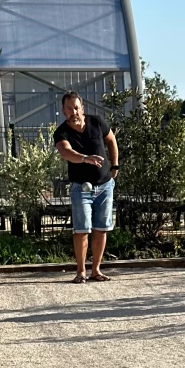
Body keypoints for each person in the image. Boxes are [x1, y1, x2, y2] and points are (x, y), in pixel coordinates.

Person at [53, 91, 119, 283]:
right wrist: (85, 159)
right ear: (63, 111)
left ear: (82, 108)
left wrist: (114, 165)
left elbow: (111, 140)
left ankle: (96, 270)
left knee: (101, 228)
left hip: (105, 185)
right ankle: (81, 272)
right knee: (82, 229)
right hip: (81, 188)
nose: (73, 111)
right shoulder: (61, 132)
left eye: (76, 107)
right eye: (69, 108)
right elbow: (66, 152)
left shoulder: (97, 122)